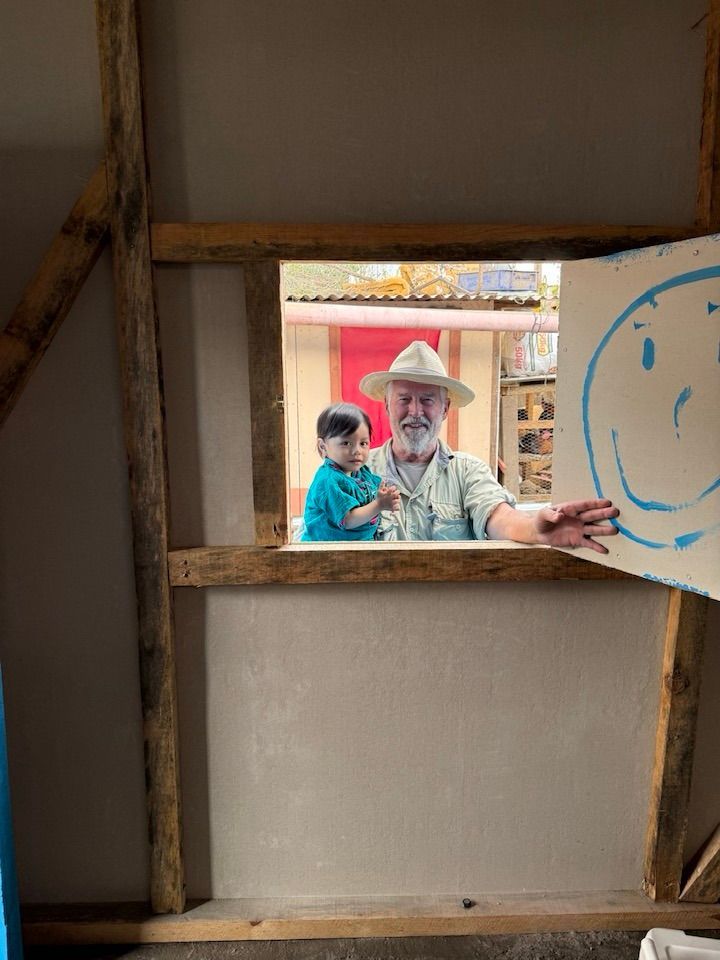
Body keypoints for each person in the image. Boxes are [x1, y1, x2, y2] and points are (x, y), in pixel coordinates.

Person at [359, 340, 619, 549]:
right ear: (386, 406)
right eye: (404, 399)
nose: (415, 411)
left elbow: (498, 516)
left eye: (427, 400)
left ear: (445, 408)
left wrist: (535, 530)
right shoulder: (356, 472)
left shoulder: (468, 472)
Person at [301, 402, 401, 542]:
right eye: (346, 443)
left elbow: (375, 489)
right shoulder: (328, 480)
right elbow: (348, 520)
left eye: (363, 443)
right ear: (323, 447)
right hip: (327, 553)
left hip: (358, 548)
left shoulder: (361, 473)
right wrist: (379, 504)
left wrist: (386, 495)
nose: (357, 451)